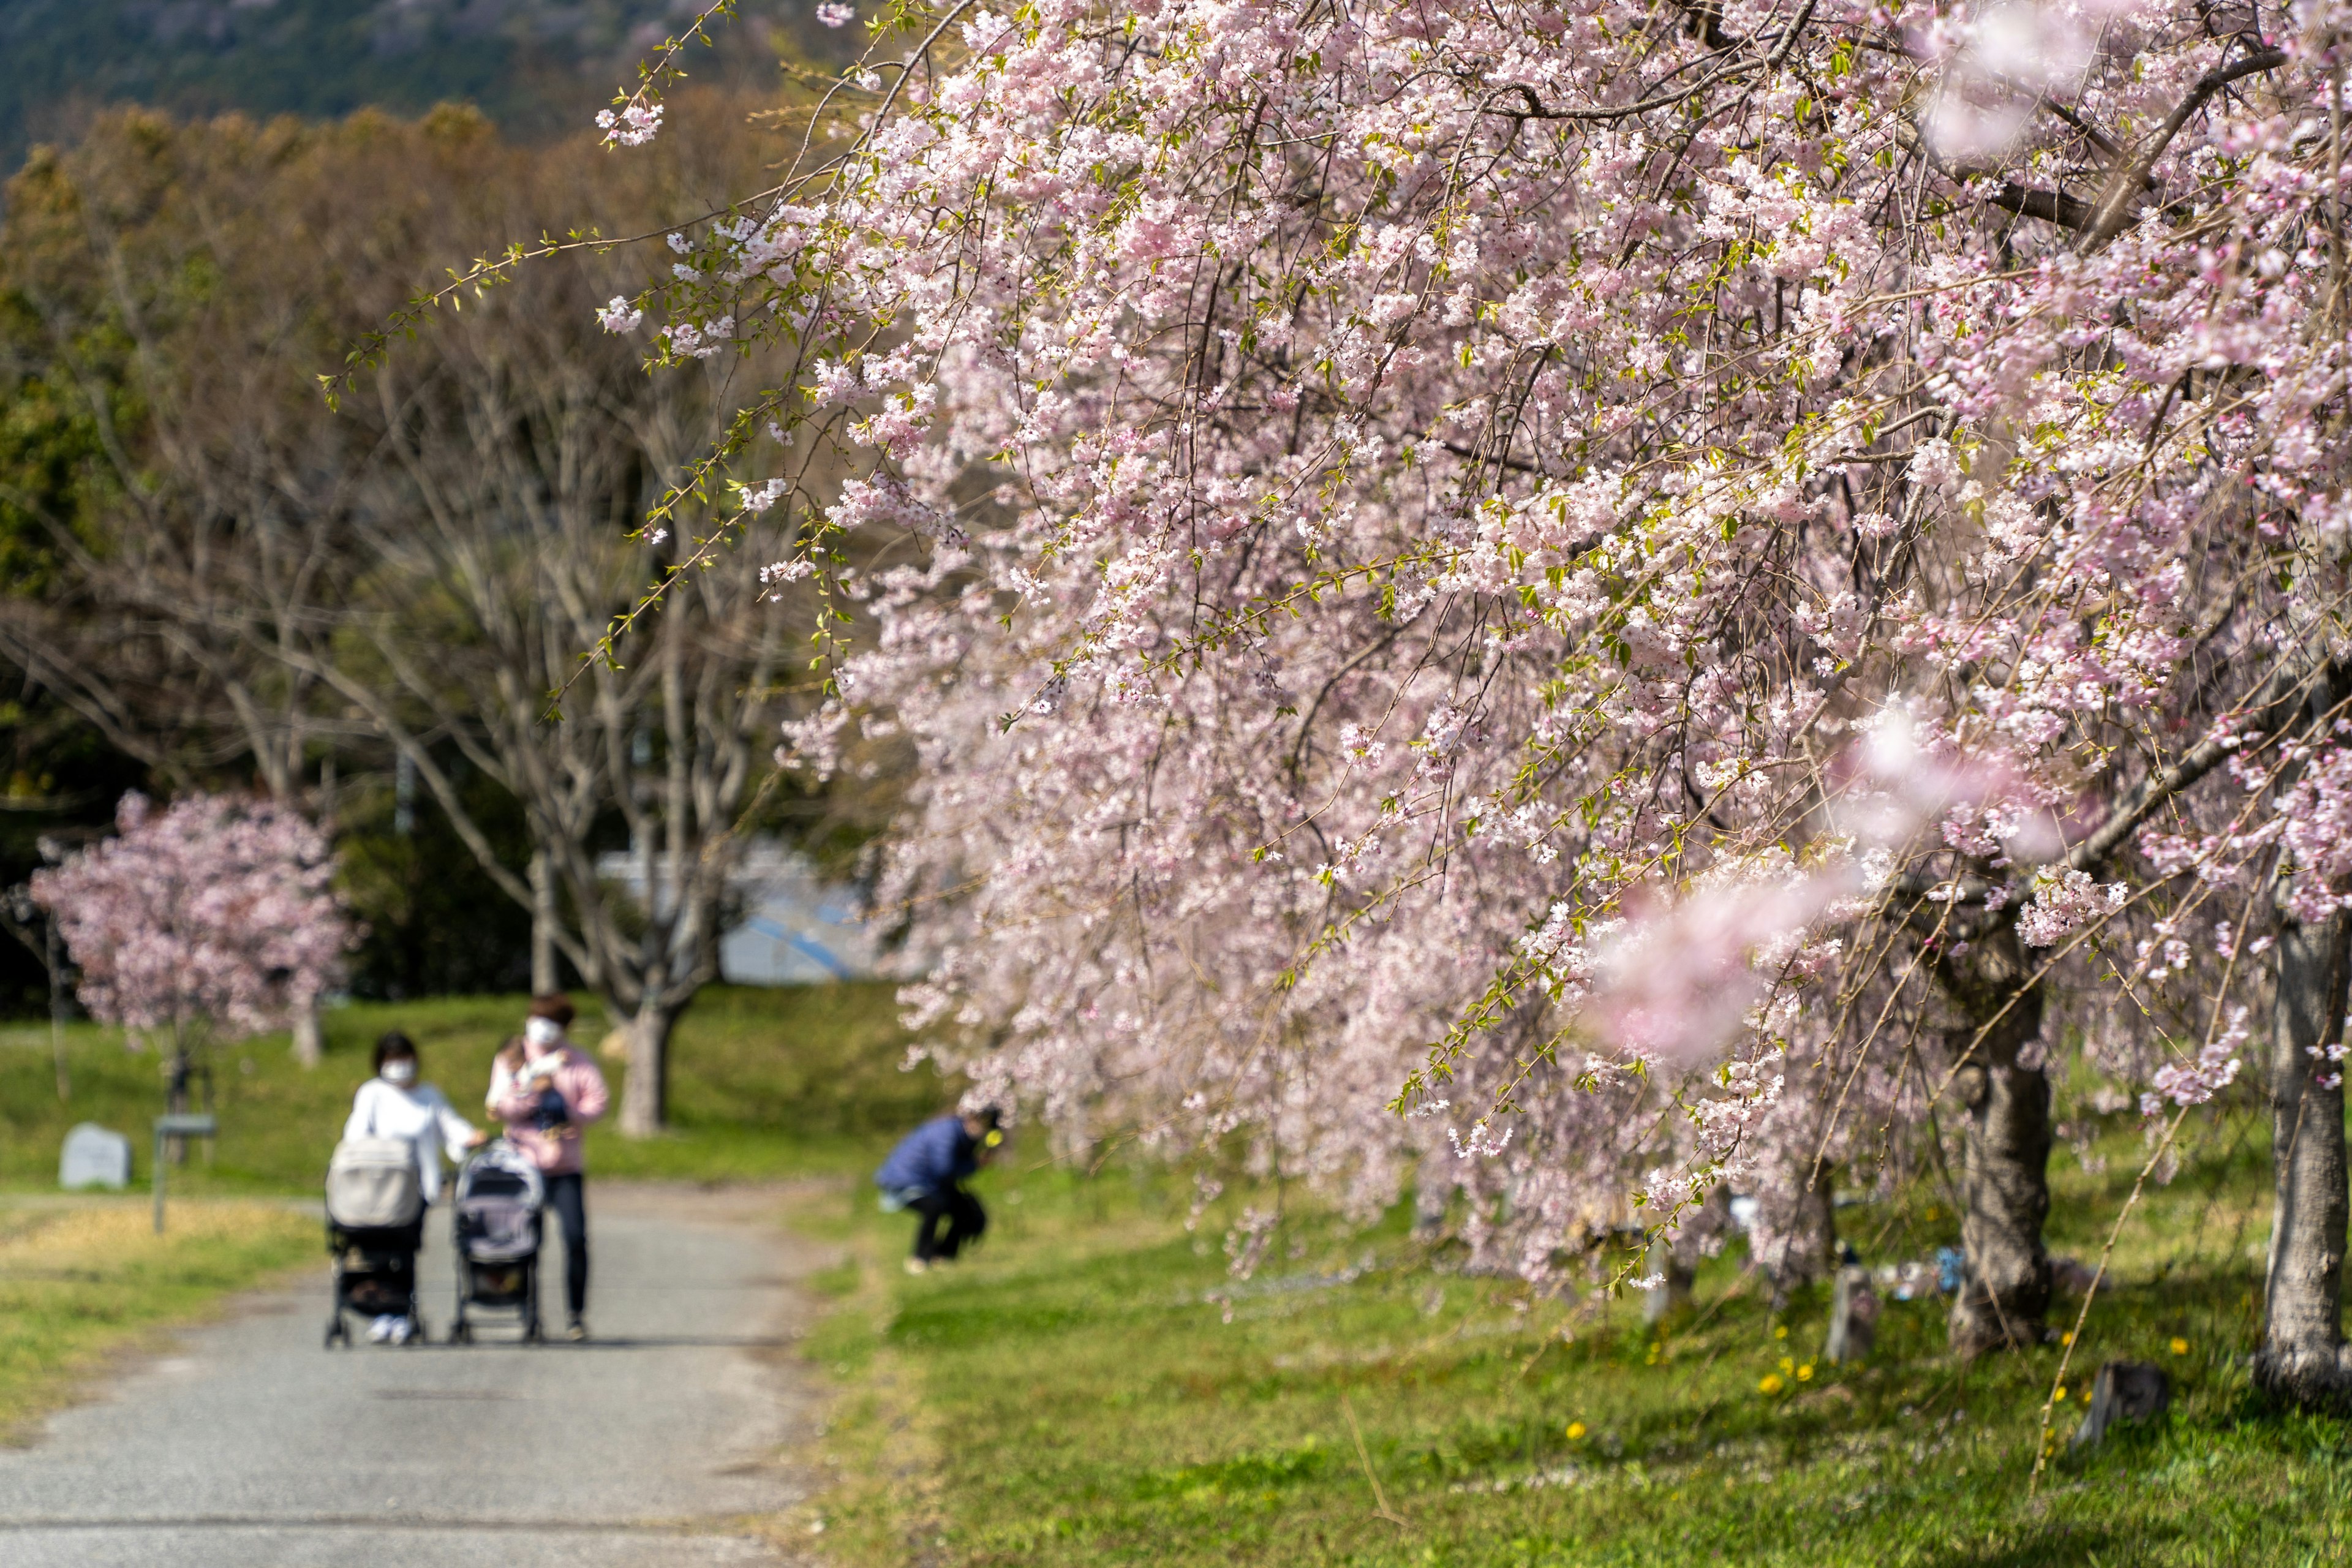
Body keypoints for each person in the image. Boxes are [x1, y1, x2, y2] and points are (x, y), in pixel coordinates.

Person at [344, 1031, 483, 1344]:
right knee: (380, 1250)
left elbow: (451, 1127)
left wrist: (468, 1138)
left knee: (406, 1250)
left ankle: (403, 1313)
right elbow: (355, 1135)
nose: (399, 1066)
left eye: (404, 1059)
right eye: (392, 1060)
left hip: (418, 1187)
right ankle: (382, 1312)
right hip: (379, 1188)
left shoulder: (429, 1094)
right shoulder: (372, 1093)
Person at [487, 994, 609, 1340]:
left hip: (566, 1165)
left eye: (551, 1022)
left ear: (565, 1028)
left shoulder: (577, 1061)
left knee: (575, 1237)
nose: (541, 1028)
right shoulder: (512, 1057)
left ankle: (575, 1315)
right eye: (536, 1019)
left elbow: (597, 1101)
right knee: (525, 1242)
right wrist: (533, 1094)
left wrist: (573, 1116)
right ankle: (528, 1313)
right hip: (524, 1167)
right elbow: (502, 1104)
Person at [873, 1106, 1002, 1275]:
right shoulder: (946, 1133)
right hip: (905, 1181)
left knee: (965, 1210)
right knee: (933, 1208)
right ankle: (920, 1258)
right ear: (971, 1118)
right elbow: (943, 1170)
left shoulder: (962, 1133)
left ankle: (943, 1255)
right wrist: (975, 1164)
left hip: (929, 1183)